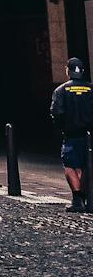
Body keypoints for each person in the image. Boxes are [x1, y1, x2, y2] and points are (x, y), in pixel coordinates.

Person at [51, 57, 93, 212]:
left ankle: (77, 198)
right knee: (83, 165)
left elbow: (57, 112)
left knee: (70, 166)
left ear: (68, 70)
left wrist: (61, 128)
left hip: (72, 134)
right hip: (89, 135)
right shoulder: (91, 88)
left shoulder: (61, 90)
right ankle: (85, 195)